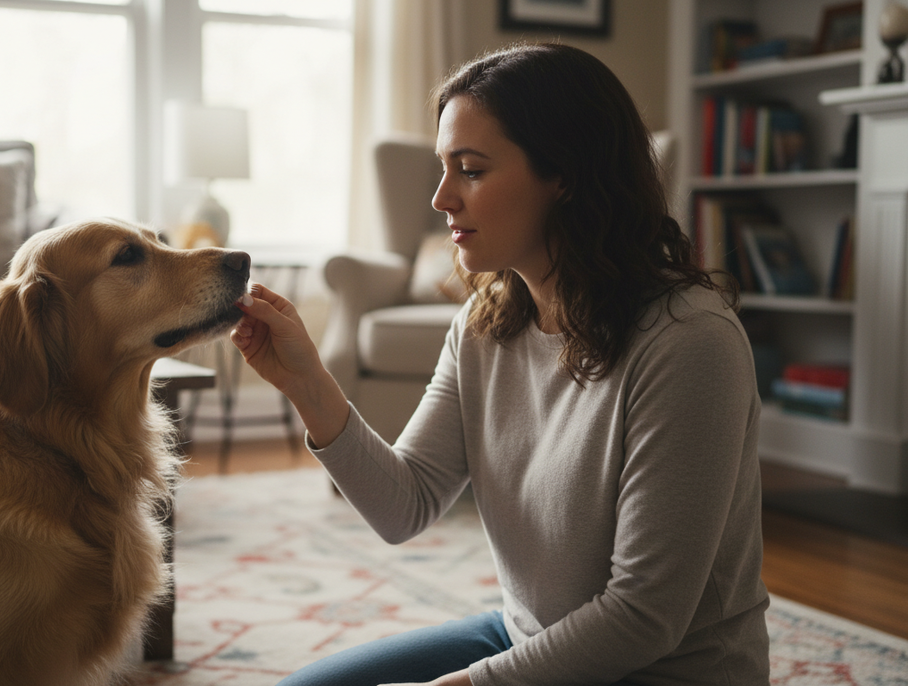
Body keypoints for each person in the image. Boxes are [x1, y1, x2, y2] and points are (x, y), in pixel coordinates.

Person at [230, 43, 769, 686]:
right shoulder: (485, 326)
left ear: (564, 174)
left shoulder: (690, 342)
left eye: (471, 170)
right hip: (528, 639)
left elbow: (645, 616)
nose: (440, 199)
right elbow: (406, 506)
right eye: (443, 168)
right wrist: (305, 382)